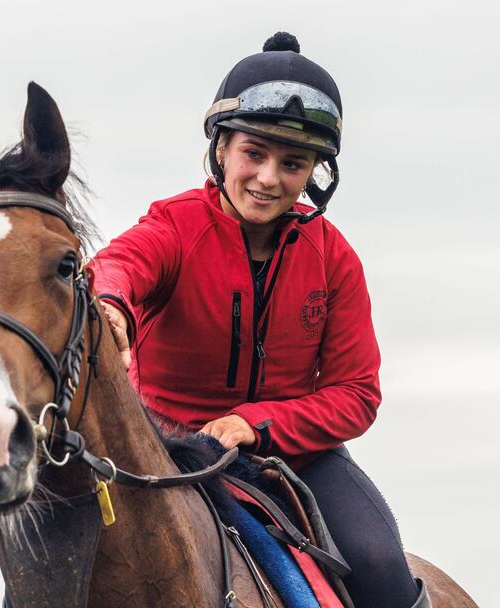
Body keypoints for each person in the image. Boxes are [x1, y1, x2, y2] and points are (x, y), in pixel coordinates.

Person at [91, 32, 429, 608]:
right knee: (53, 554)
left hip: (289, 453)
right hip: (163, 448)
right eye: (254, 153)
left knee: (378, 564)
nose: (269, 178)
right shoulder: (173, 228)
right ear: (220, 149)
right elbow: (117, 264)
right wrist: (109, 307)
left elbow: (357, 394)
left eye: (292, 163)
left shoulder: (334, 256)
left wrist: (256, 425)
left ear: (314, 173)